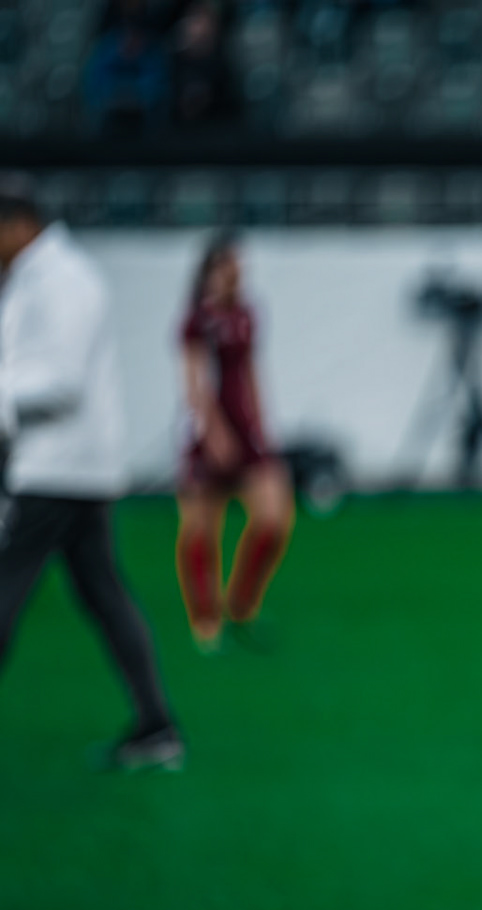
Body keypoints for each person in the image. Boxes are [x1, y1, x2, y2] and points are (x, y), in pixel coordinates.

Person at [0, 174, 183, 770]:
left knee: (6, 594)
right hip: (73, 469)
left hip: (55, 469)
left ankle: (158, 726)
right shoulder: (41, 277)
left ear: (17, 224)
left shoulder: (64, 281)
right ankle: (156, 726)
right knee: (103, 594)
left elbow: (61, 383)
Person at [174, 233, 293, 652]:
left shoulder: (246, 314)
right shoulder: (197, 320)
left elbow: (250, 372)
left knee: (274, 519)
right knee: (201, 528)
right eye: (230, 268)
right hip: (210, 432)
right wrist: (212, 431)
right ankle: (205, 620)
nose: (238, 276)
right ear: (212, 270)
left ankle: (242, 603)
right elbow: (195, 380)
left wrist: (261, 425)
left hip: (248, 431)